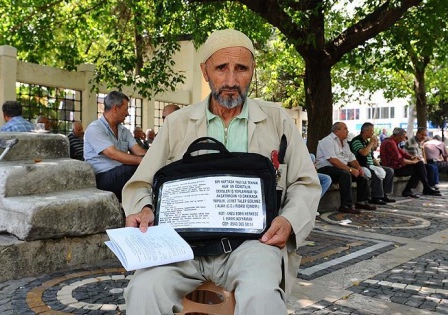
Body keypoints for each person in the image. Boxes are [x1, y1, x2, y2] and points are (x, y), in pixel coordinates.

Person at [121, 29, 320, 314]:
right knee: (143, 290)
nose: (231, 81)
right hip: (182, 245)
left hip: (252, 245)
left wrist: (289, 220)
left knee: (262, 296)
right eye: (221, 68)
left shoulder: (278, 120)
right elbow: (141, 183)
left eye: (241, 69)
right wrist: (144, 208)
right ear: (205, 71)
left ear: (253, 71)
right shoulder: (177, 123)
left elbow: (304, 182)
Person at [84, 91, 146, 202]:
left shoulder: (124, 131)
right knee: (138, 169)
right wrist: (143, 162)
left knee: (150, 169)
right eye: (126, 109)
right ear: (115, 108)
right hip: (103, 177)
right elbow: (113, 154)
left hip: (121, 172)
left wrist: (155, 157)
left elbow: (138, 150)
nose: (127, 113)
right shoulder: (95, 128)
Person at [316, 122, 376, 214]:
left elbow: (351, 158)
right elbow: (333, 160)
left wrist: (359, 168)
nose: (347, 131)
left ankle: (361, 201)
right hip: (326, 168)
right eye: (345, 129)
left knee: (361, 175)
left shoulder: (344, 142)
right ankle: (345, 205)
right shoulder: (327, 141)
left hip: (340, 168)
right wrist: (351, 170)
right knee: (345, 174)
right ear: (337, 131)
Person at [380, 128, 441, 198]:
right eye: (404, 137)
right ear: (400, 135)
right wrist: (413, 162)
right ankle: (421, 188)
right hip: (393, 169)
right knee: (419, 167)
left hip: (396, 167)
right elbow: (400, 160)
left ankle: (423, 188)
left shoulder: (392, 142)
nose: (404, 139)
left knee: (419, 166)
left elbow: (403, 153)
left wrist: (412, 157)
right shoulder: (390, 143)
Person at [350, 122, 395, 205]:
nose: (373, 133)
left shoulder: (366, 142)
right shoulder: (357, 141)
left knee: (389, 171)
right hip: (363, 165)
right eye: (372, 131)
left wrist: (379, 166)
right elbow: (364, 153)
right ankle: (376, 197)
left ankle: (384, 194)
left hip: (371, 165)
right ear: (365, 131)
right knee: (375, 172)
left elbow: (371, 157)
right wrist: (371, 143)